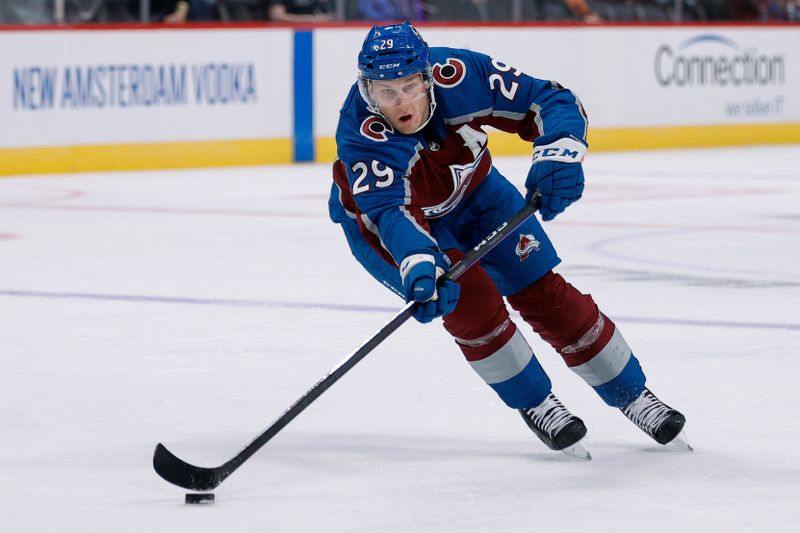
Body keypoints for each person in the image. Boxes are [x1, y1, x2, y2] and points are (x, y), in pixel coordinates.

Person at [328, 22, 690, 458]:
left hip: (475, 192)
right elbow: (391, 213)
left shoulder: (459, 75)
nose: (400, 101)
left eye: (408, 86)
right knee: (470, 301)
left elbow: (550, 98)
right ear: (368, 91)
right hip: (392, 224)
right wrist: (420, 262)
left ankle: (633, 394)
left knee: (544, 291)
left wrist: (560, 150)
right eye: (386, 92)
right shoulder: (360, 133)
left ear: (428, 77)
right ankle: (537, 403)